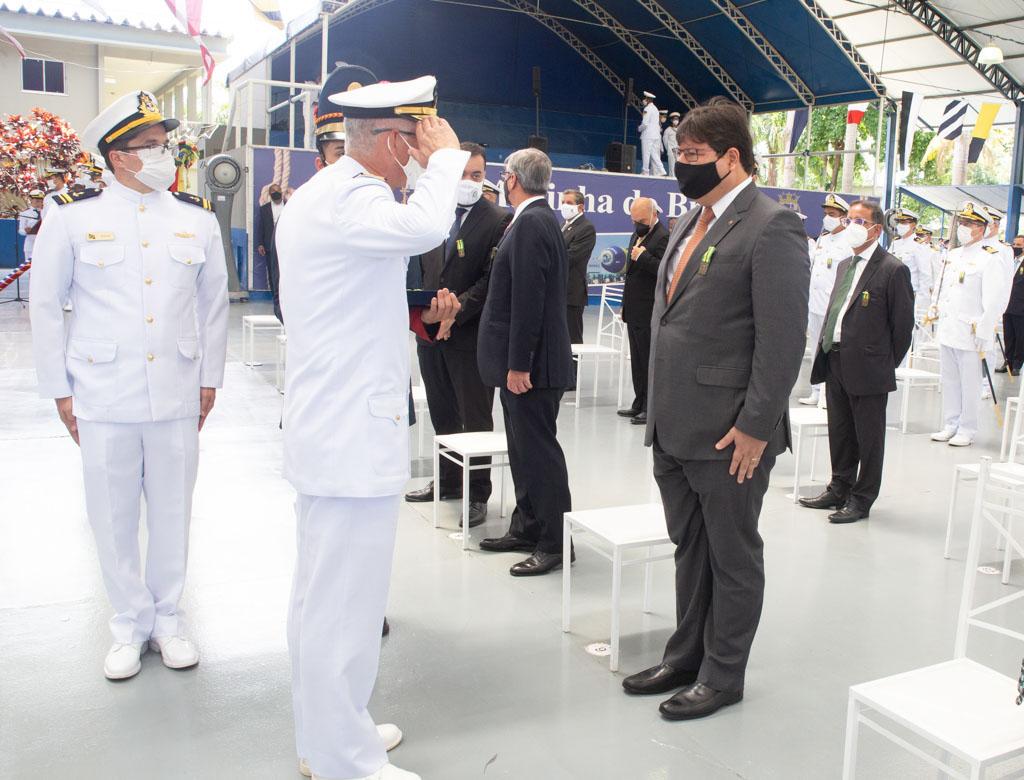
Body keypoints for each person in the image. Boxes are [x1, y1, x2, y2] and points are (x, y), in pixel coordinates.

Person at [275, 75, 466, 780]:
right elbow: (427, 227)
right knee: (344, 607)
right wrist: (444, 160)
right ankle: (343, 760)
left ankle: (329, 735)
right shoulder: (353, 195)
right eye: (416, 138)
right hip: (349, 434)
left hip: (336, 429)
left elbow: (368, 280)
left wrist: (437, 170)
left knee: (323, 597)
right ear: (392, 141)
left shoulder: (329, 193)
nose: (421, 151)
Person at [29, 90, 229, 680]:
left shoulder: (196, 217)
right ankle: (129, 624)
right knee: (111, 515)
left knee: (173, 510)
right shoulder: (72, 216)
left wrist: (210, 378)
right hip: (102, 390)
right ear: (119, 157)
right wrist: (59, 389)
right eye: (152, 146)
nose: (166, 154)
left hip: (176, 388)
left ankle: (167, 620)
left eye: (164, 144)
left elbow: (214, 304)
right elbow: (45, 305)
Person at [621, 97, 808, 720]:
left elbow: (782, 342)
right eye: (679, 153)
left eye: (693, 154)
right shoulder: (686, 223)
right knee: (690, 548)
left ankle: (724, 675)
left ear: (732, 157)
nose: (682, 164)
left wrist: (756, 426)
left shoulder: (772, 226)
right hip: (675, 425)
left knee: (732, 556)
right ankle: (685, 657)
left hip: (731, 433)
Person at [477, 148, 574, 577]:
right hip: (527, 364)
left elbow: (529, 299)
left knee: (539, 453)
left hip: (532, 367)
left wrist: (520, 364)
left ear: (512, 179)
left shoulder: (533, 222)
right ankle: (528, 526)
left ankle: (555, 543)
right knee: (522, 450)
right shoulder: (534, 219)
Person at [404, 142, 511, 528]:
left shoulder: (498, 219)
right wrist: (428, 317)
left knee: (475, 416)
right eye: (463, 174)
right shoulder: (431, 216)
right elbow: (418, 268)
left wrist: (455, 311)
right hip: (430, 334)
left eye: (476, 175)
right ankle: (448, 481)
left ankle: (477, 492)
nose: (469, 181)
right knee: (442, 411)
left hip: (471, 336)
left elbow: (491, 280)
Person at [798, 201, 915, 524]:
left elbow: (902, 328)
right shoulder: (844, 265)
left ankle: (862, 498)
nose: (851, 225)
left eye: (859, 221)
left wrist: (881, 363)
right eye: (849, 219)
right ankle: (839, 487)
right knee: (840, 431)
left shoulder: (892, 269)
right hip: (836, 358)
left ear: (876, 229)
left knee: (869, 437)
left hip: (869, 367)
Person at [929, 202, 1010, 447]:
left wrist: (984, 331)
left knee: (970, 383)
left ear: (982, 228)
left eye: (970, 224)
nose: (964, 228)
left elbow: (994, 300)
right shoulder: (953, 255)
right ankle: (950, 424)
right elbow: (943, 287)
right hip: (949, 327)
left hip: (971, 332)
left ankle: (967, 428)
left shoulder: (990, 258)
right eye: (962, 223)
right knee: (950, 380)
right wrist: (935, 308)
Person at [617, 197, 668, 425]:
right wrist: (624, 304)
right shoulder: (636, 234)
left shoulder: (663, 236)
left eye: (641, 221)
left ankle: (650, 408)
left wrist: (644, 257)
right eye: (634, 220)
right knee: (637, 360)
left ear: (654, 215)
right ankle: (638, 402)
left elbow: (665, 270)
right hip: (634, 308)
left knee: (648, 361)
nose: (637, 224)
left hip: (649, 309)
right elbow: (630, 274)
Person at [798, 193, 852, 406]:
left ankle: (829, 394)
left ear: (843, 217)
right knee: (815, 348)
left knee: (831, 350)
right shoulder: (823, 239)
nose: (827, 218)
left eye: (832, 214)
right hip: (815, 303)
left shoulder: (848, 241)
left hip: (833, 305)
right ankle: (816, 389)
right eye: (826, 213)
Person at [559, 189, 597, 344]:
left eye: (569, 203)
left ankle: (573, 362)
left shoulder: (586, 228)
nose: (564, 206)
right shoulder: (564, 225)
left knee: (571, 340)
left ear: (580, 207)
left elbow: (571, 257)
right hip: (558, 291)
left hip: (571, 293)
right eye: (563, 202)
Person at [888, 207, 933, 318]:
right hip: (891, 292)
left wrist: (921, 306)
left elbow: (925, 276)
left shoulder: (919, 245)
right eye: (899, 222)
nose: (900, 225)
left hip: (909, 295)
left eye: (904, 222)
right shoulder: (895, 243)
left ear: (913, 225)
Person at [257, 182, 285, 321]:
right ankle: (276, 299)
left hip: (286, 243)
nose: (276, 194)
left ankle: (286, 296)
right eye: (273, 192)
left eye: (278, 191)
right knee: (273, 272)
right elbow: (260, 227)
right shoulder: (264, 209)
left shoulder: (289, 206)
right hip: (270, 245)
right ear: (270, 194)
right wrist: (260, 243)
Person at [639, 91, 666, 176]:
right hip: (655, 135)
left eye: (645, 99)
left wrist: (639, 129)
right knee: (654, 153)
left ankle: (645, 171)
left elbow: (645, 123)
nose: (644, 100)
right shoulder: (656, 109)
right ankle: (662, 169)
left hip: (648, 135)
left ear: (647, 99)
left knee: (646, 153)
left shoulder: (647, 109)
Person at [17, 189, 44, 262]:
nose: (39, 202)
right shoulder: (25, 213)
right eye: (37, 200)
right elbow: (21, 230)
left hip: (43, 243)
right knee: (29, 266)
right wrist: (26, 231)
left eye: (41, 200)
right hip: (30, 244)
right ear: (31, 199)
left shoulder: (46, 212)